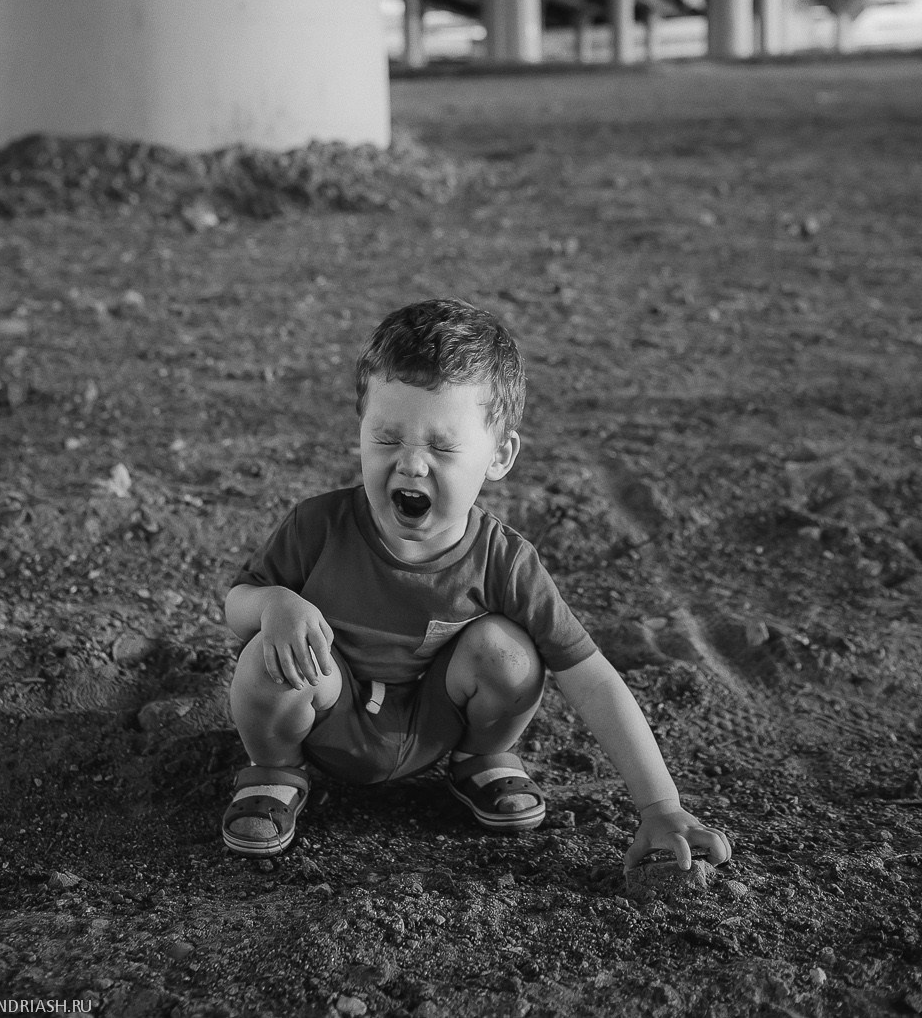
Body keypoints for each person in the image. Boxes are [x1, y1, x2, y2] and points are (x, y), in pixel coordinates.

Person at [222, 298, 731, 872]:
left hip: (439, 723)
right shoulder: (317, 527)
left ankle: (482, 758)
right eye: (387, 439)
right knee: (268, 653)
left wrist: (661, 805)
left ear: (499, 454)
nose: (412, 465)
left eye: (441, 446)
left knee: (508, 650)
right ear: (360, 430)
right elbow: (237, 606)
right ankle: (276, 771)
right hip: (328, 716)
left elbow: (589, 675)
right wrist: (274, 602)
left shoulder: (505, 561)